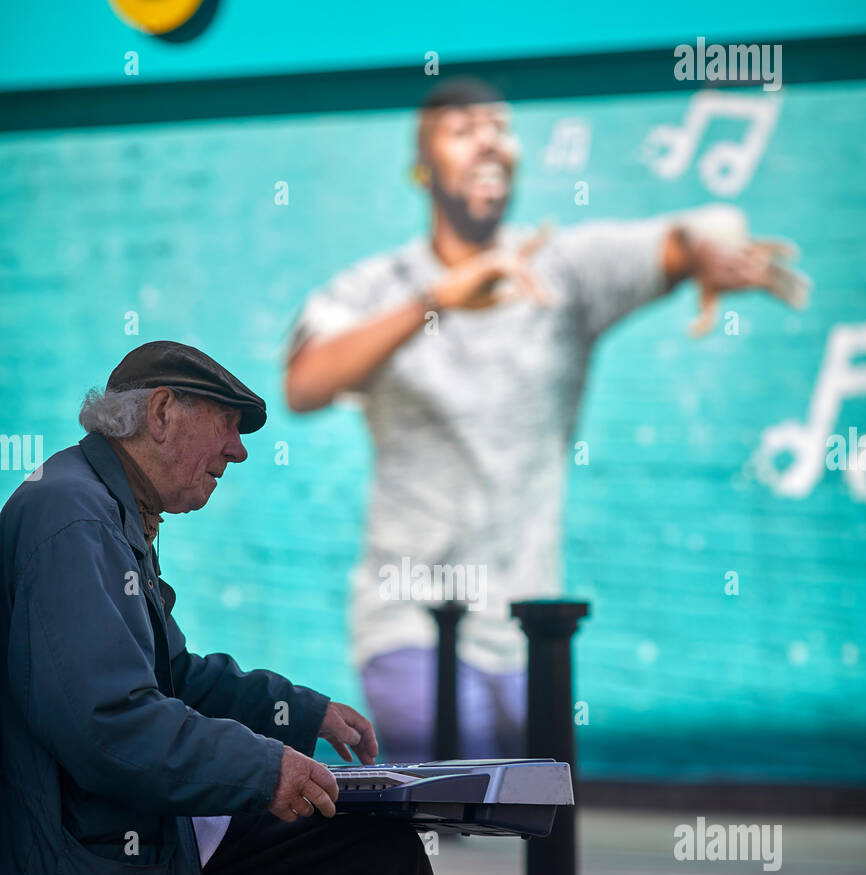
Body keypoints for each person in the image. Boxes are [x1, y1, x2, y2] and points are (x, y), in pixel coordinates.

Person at [0, 339, 568, 875]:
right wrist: (261, 765)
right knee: (368, 860)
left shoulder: (95, 507)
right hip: (73, 872)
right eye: (225, 427)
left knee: (300, 820)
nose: (237, 452)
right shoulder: (75, 520)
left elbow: (172, 679)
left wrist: (298, 714)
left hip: (97, 840)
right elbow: (106, 721)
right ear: (160, 415)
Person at [286, 77, 809, 762]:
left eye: (500, 129)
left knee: (538, 831)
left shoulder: (567, 272)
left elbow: (695, 229)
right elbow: (304, 382)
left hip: (532, 628)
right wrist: (432, 302)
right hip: (409, 620)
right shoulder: (377, 287)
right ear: (423, 166)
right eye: (462, 129)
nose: (489, 142)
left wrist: (714, 247)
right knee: (448, 817)